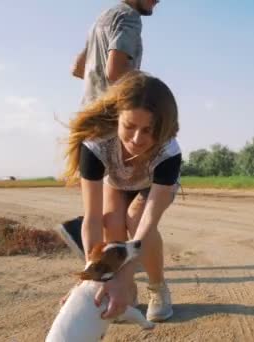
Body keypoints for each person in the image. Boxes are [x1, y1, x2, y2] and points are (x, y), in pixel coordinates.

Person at [61, 71, 181, 322]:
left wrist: (124, 275)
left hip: (151, 188)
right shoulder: (95, 142)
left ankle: (158, 288)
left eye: (149, 130)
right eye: (129, 127)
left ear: (163, 128)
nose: (137, 140)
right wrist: (93, 280)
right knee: (111, 221)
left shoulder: (168, 151)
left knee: (136, 218)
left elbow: (146, 227)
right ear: (117, 117)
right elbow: (92, 220)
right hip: (116, 183)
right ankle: (124, 291)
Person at [72, 0, 159, 106]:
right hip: (110, 115)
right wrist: (151, 87)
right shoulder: (129, 16)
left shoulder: (102, 18)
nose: (157, 1)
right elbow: (116, 71)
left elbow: (78, 68)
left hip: (88, 115)